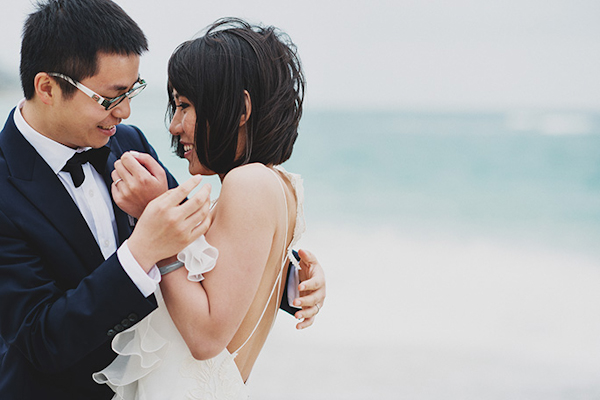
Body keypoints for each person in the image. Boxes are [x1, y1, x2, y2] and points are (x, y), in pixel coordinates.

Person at [0, 1, 325, 399]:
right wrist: (144, 249)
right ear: (47, 87)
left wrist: (287, 276)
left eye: (133, 91)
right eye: (110, 97)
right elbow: (39, 339)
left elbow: (204, 249)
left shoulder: (127, 144)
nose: (126, 111)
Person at [93, 18, 315, 399]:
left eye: (185, 106)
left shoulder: (249, 184)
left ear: (240, 109)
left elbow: (207, 335)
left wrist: (153, 219)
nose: (175, 126)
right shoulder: (278, 185)